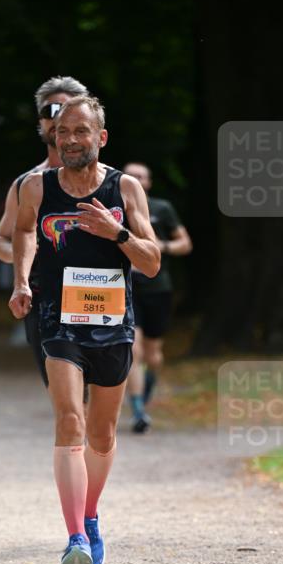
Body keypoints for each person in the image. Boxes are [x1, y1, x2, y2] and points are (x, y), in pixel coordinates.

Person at [10, 97, 160, 564]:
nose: (71, 140)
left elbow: (152, 263)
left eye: (81, 131)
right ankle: (75, 537)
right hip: (58, 319)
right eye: (62, 132)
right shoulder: (37, 187)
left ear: (101, 137)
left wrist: (117, 233)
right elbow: (24, 232)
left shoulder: (125, 188)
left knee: (102, 433)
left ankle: (90, 515)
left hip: (113, 322)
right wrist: (21, 281)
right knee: (70, 419)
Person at [0, 75, 89, 385]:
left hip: (98, 293)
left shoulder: (111, 182)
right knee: (65, 395)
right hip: (44, 298)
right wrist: (23, 255)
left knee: (97, 394)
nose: (58, 117)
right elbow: (2, 240)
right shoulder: (26, 184)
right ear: (40, 122)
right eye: (51, 111)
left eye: (67, 109)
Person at [122, 162, 192, 433]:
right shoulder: (113, 208)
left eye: (141, 176)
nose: (136, 180)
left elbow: (185, 243)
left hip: (158, 288)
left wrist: (159, 247)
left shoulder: (162, 209)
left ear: (149, 182)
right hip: (126, 288)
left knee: (152, 354)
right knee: (133, 348)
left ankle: (147, 389)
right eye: (131, 176)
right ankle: (138, 410)